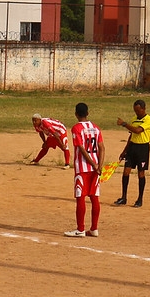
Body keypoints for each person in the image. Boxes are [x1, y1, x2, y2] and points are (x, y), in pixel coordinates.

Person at [64, 102, 104, 238]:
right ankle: (94, 228)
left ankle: (80, 229)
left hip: (83, 168)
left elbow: (81, 148)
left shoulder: (76, 128)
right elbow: (102, 147)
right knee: (94, 197)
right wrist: (99, 165)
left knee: (80, 197)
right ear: (88, 113)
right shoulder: (96, 128)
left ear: (76, 114)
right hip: (96, 168)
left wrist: (92, 164)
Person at [115, 99, 150, 207]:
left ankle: (140, 199)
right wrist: (124, 150)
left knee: (141, 173)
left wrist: (124, 124)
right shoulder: (133, 119)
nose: (137, 113)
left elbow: (137, 131)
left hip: (143, 148)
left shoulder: (149, 120)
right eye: (135, 111)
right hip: (132, 147)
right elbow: (131, 135)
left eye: (138, 110)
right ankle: (123, 197)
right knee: (126, 172)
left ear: (143, 109)